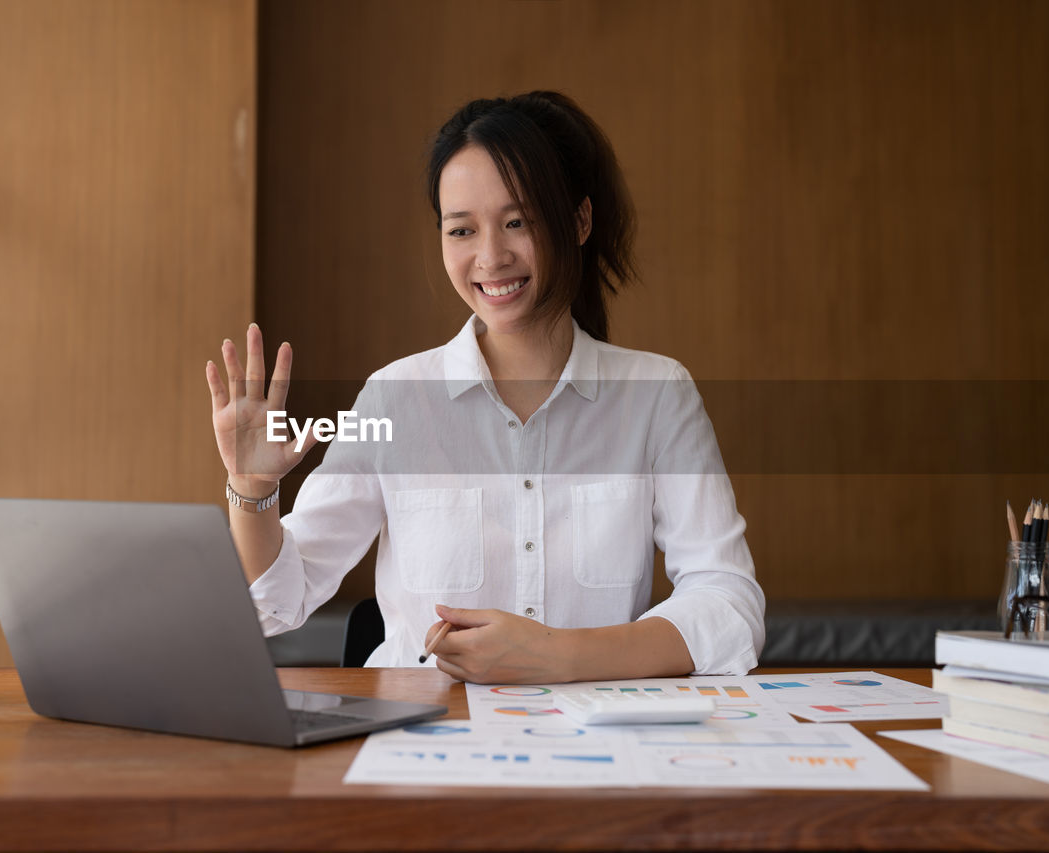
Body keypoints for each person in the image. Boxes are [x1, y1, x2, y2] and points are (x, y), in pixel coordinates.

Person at [205, 91, 764, 684]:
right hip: (418, 746)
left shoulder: (656, 394)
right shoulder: (394, 397)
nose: (491, 257)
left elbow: (728, 604)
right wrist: (253, 487)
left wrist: (558, 655)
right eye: (462, 230)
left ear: (579, 221)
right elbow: (276, 603)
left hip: (590, 747)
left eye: (517, 222)